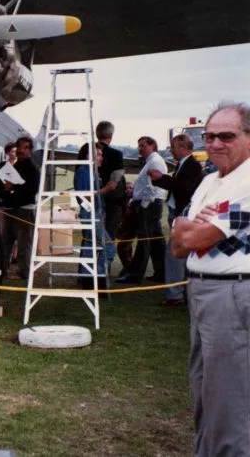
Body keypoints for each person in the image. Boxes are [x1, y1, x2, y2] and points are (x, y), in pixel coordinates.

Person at [170, 101, 250, 456]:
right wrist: (186, 225)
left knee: (230, 398)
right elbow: (176, 245)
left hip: (231, 295)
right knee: (204, 391)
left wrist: (188, 227)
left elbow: (193, 239)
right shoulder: (207, 181)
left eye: (226, 136)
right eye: (209, 136)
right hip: (201, 290)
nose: (215, 143)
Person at [147, 134, 203, 306]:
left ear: (183, 147)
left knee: (173, 255)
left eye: (173, 147)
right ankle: (183, 292)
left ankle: (175, 295)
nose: (171, 150)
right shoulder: (184, 165)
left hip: (184, 215)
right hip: (179, 214)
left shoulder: (192, 166)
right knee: (182, 256)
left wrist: (160, 178)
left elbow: (184, 187)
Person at [116, 136, 167, 284]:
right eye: (139, 146)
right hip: (149, 204)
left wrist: (142, 206)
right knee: (156, 241)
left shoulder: (155, 161)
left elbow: (152, 188)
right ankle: (162, 272)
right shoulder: (151, 161)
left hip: (148, 205)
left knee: (144, 241)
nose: (140, 148)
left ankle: (134, 274)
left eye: (142, 145)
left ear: (152, 145)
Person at [0, 136, 40, 281]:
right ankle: (2, 270)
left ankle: (24, 272)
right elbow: (2, 185)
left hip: (24, 210)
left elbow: (32, 189)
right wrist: (6, 189)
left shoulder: (33, 168)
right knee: (6, 242)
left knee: (23, 244)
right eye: (19, 147)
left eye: (25, 147)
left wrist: (13, 187)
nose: (21, 150)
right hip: (9, 209)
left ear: (30, 150)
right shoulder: (12, 166)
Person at [73, 143, 109, 289]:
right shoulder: (83, 171)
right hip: (90, 212)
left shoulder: (93, 172)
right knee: (103, 247)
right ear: (88, 156)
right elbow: (83, 196)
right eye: (98, 154)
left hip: (97, 212)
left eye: (100, 154)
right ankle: (92, 279)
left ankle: (93, 279)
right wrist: (105, 190)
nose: (101, 158)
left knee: (94, 246)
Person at [95, 121, 127, 270]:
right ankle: (103, 271)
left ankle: (86, 271)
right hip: (112, 202)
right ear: (111, 135)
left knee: (91, 237)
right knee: (109, 236)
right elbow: (115, 182)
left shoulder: (86, 150)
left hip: (93, 201)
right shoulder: (116, 154)